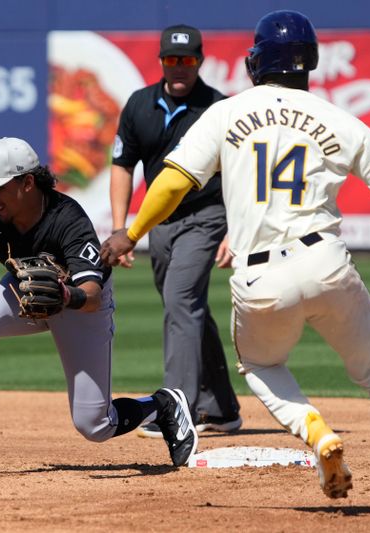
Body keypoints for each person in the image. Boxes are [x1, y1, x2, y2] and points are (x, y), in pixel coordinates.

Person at [101, 11, 370, 518]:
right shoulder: (337, 118)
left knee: (263, 365)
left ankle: (315, 431)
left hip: (258, 277)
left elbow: (172, 182)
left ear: (254, 62)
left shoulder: (227, 112)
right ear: (310, 62)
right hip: (326, 261)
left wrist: (130, 233)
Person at [0, 137, 197, 475]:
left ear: (27, 183)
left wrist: (65, 297)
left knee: (94, 425)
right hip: (24, 292)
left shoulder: (69, 220)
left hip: (79, 305)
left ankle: (164, 405)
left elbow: (90, 293)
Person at [110, 24, 241, 437]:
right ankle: (221, 410)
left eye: (186, 60)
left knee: (181, 301)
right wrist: (122, 227)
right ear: (162, 61)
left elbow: (241, 174)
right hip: (159, 223)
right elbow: (122, 167)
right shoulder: (139, 105)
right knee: (190, 309)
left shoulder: (217, 108)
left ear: (200, 60)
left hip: (207, 215)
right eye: (171, 59)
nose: (179, 67)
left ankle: (178, 408)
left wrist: (235, 230)